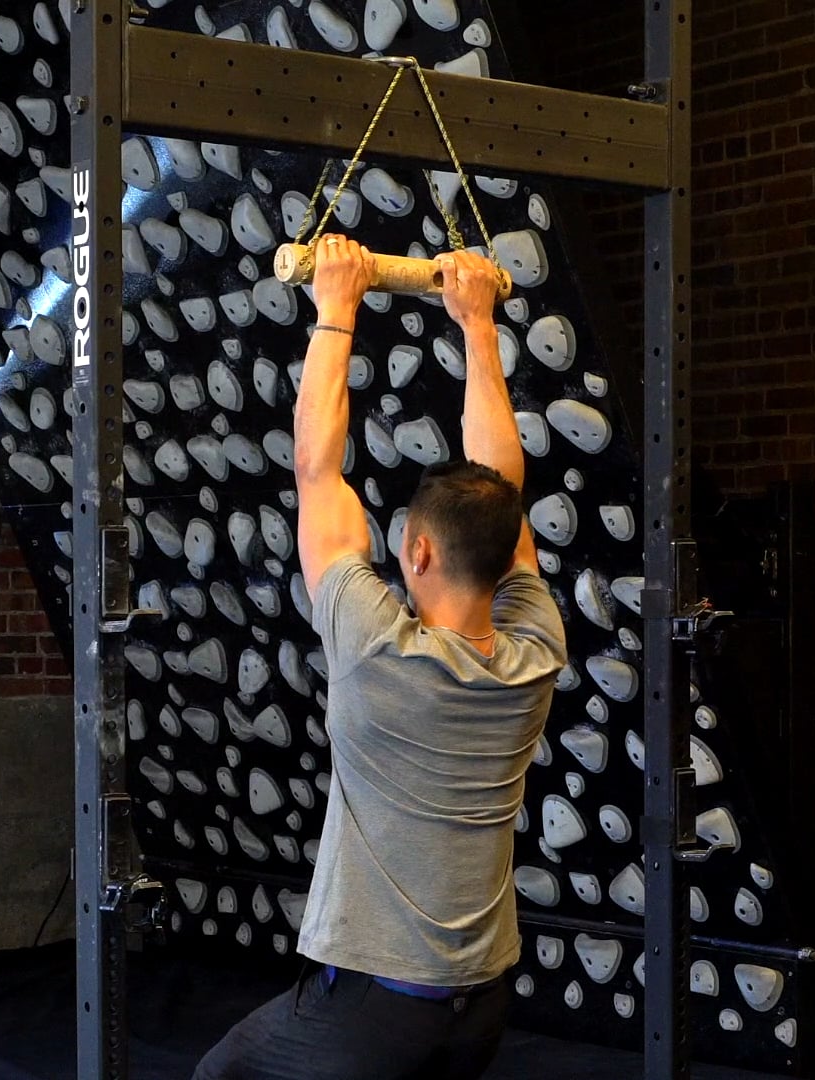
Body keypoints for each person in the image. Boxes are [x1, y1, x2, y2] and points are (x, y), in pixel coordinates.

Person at [192, 235, 568, 1080]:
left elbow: (316, 471)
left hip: (375, 1014)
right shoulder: (535, 651)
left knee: (222, 1075)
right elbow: (501, 486)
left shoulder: (375, 648)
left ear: (420, 555)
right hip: (485, 1001)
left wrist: (336, 308)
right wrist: (476, 324)